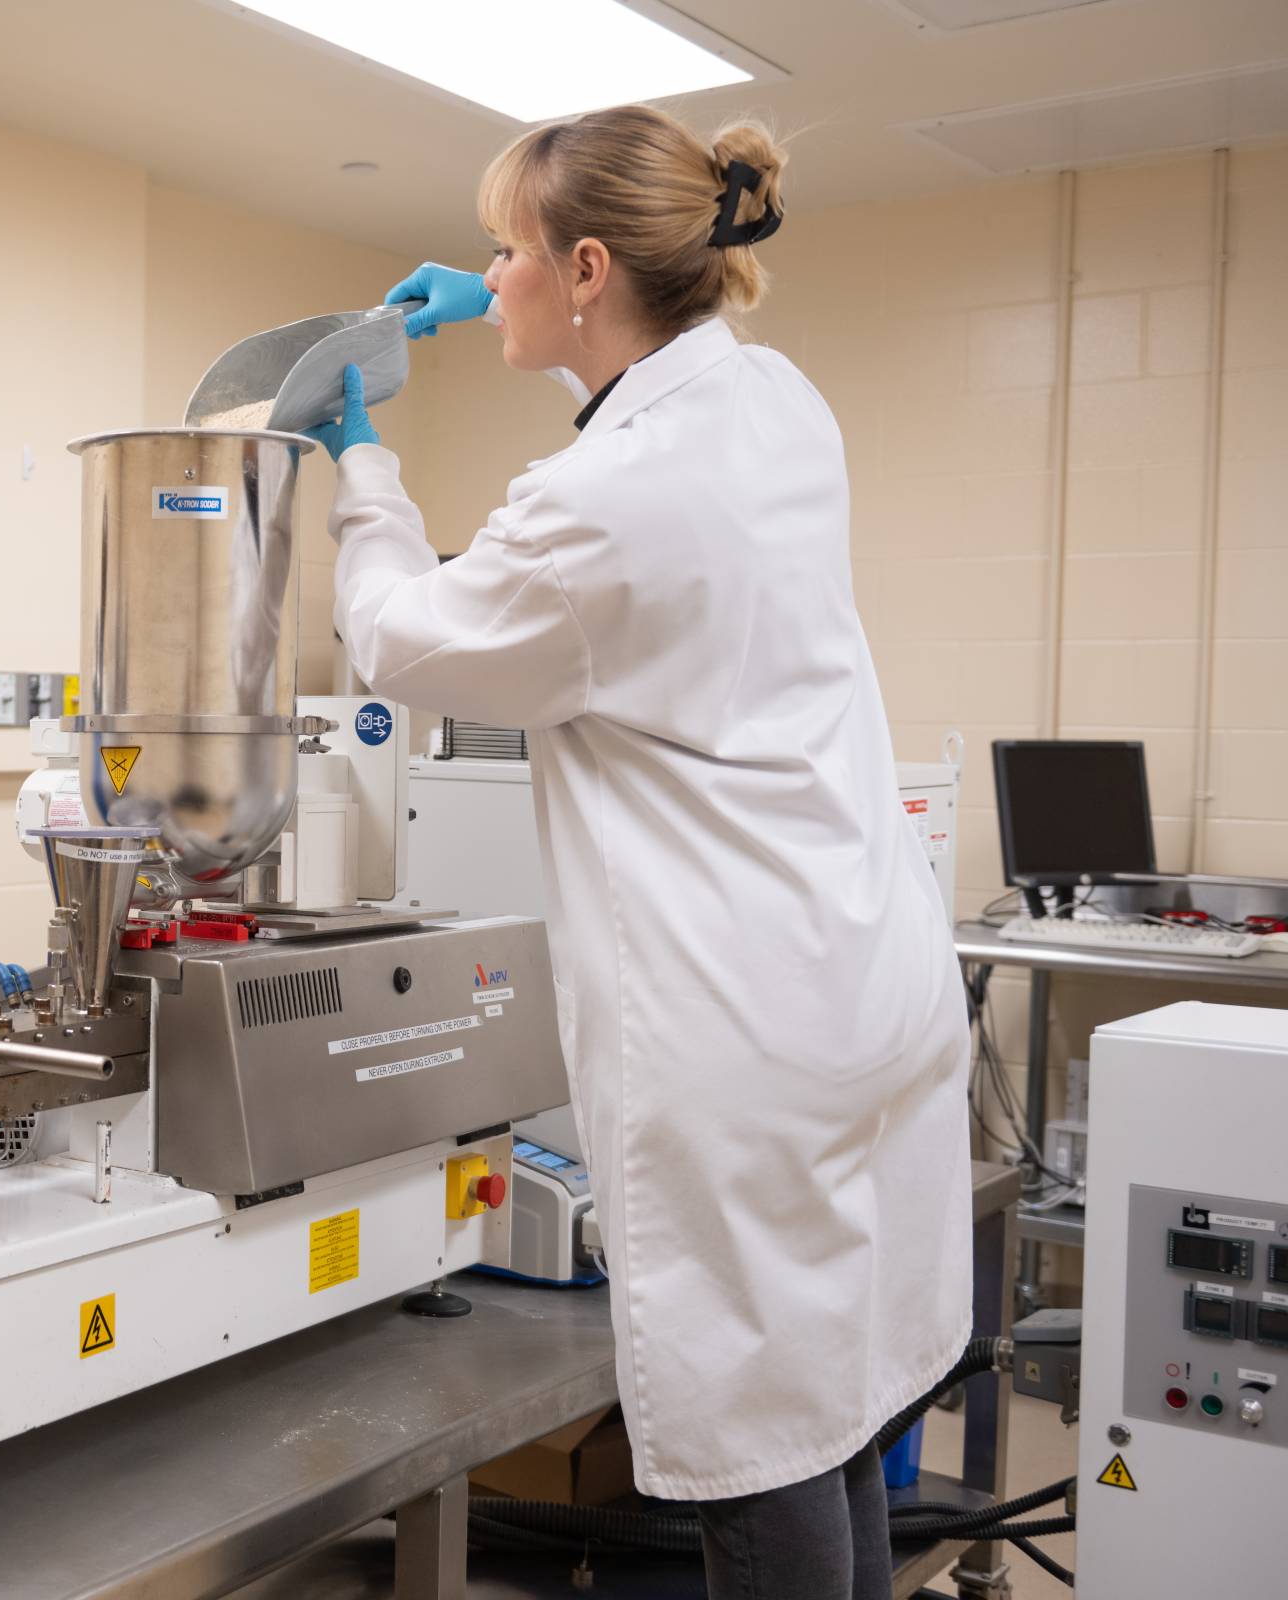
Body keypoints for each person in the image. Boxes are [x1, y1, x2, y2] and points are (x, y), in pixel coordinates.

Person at [310, 108, 970, 1600]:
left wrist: (363, 468)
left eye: (507, 251)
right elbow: (648, 425)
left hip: (747, 1035)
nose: (488, 271)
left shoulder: (592, 510)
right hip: (865, 977)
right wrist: (514, 321)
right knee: (837, 1394)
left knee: (761, 1442)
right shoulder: (777, 399)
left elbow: (399, 638)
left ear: (590, 269)